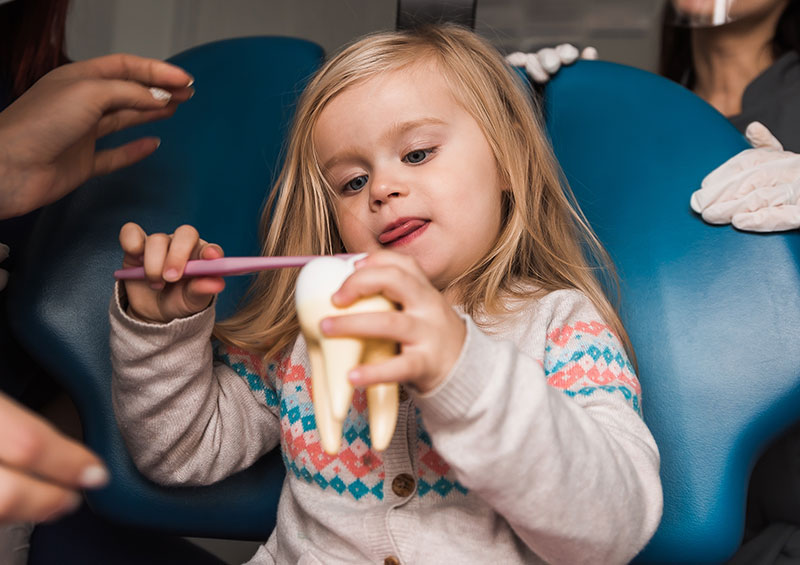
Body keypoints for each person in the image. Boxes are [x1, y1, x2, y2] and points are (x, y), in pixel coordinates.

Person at [110, 24, 662, 564]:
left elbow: (613, 529)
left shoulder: (562, 328)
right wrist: (161, 330)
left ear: (507, 160)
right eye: (351, 182)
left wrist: (461, 369)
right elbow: (181, 453)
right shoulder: (310, 334)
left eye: (418, 153)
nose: (381, 189)